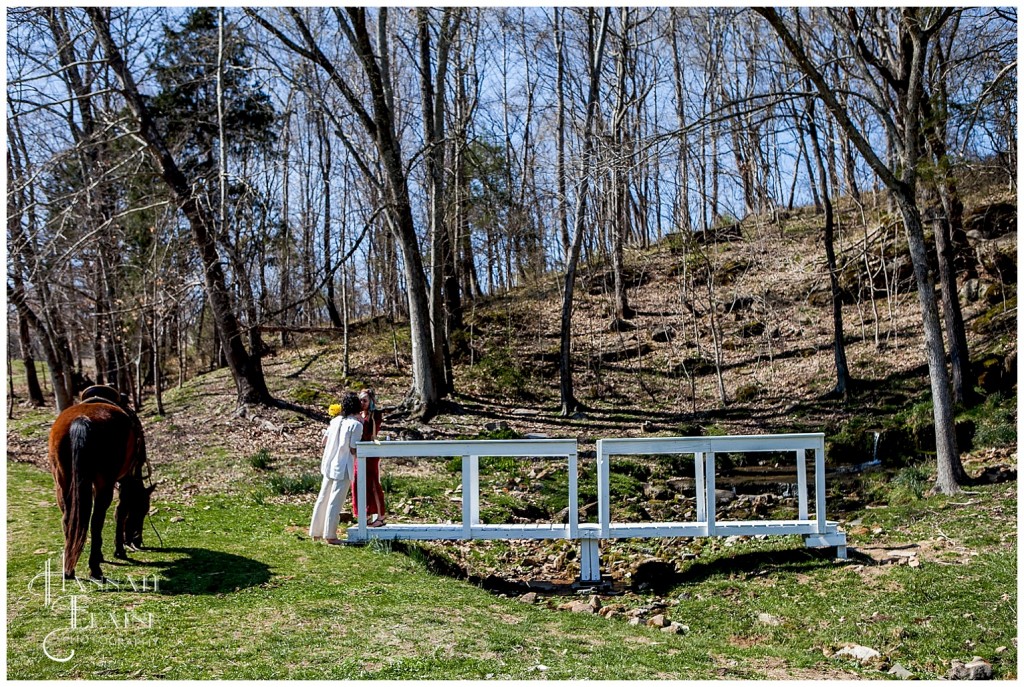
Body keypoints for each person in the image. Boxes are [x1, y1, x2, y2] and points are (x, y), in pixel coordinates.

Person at [309, 392, 362, 544]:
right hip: (343, 465)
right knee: (335, 501)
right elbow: (353, 448)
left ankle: (316, 531)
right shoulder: (356, 425)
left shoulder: (335, 421)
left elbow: (324, 441)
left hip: (329, 463)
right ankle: (330, 535)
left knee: (323, 498)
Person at [352, 388, 387, 527]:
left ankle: (381, 516)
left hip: (370, 452)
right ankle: (363, 514)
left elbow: (370, 433)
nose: (362, 403)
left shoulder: (375, 415)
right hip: (359, 452)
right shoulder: (357, 414)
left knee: (373, 483)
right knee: (357, 482)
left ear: (371, 401)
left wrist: (361, 420)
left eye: (365, 400)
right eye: (360, 400)